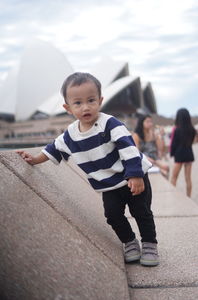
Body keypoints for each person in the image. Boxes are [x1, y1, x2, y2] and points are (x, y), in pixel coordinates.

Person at [16, 72, 159, 266]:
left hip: (132, 176)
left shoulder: (109, 123)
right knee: (113, 216)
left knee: (141, 211)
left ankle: (150, 244)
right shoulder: (71, 134)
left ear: (100, 101)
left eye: (91, 100)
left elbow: (128, 147)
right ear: (67, 108)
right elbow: (53, 148)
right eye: (78, 103)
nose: (85, 107)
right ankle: (130, 242)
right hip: (108, 185)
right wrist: (33, 159)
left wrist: (135, 174)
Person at [170, 108, 196, 198]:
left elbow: (173, 144)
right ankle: (189, 197)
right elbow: (192, 141)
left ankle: (173, 195)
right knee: (188, 178)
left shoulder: (176, 129)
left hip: (179, 155)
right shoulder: (192, 130)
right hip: (189, 153)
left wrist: (172, 153)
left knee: (174, 177)